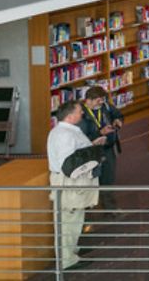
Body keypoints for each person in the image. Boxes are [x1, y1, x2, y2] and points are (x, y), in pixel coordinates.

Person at [47, 101, 103, 271]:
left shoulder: (67, 131)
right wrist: (93, 153)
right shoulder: (64, 134)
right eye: (80, 111)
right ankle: (67, 259)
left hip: (75, 182)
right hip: (70, 183)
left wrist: (91, 147)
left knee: (75, 218)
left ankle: (72, 250)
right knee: (68, 220)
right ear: (70, 116)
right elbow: (69, 165)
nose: (83, 114)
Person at [78, 85, 123, 204]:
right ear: (88, 100)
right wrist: (100, 132)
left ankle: (111, 209)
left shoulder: (105, 106)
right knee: (90, 180)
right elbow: (80, 139)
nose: (101, 104)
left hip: (107, 148)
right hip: (91, 151)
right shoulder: (79, 115)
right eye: (98, 101)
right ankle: (91, 209)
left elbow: (117, 114)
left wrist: (118, 121)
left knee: (108, 179)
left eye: (102, 100)